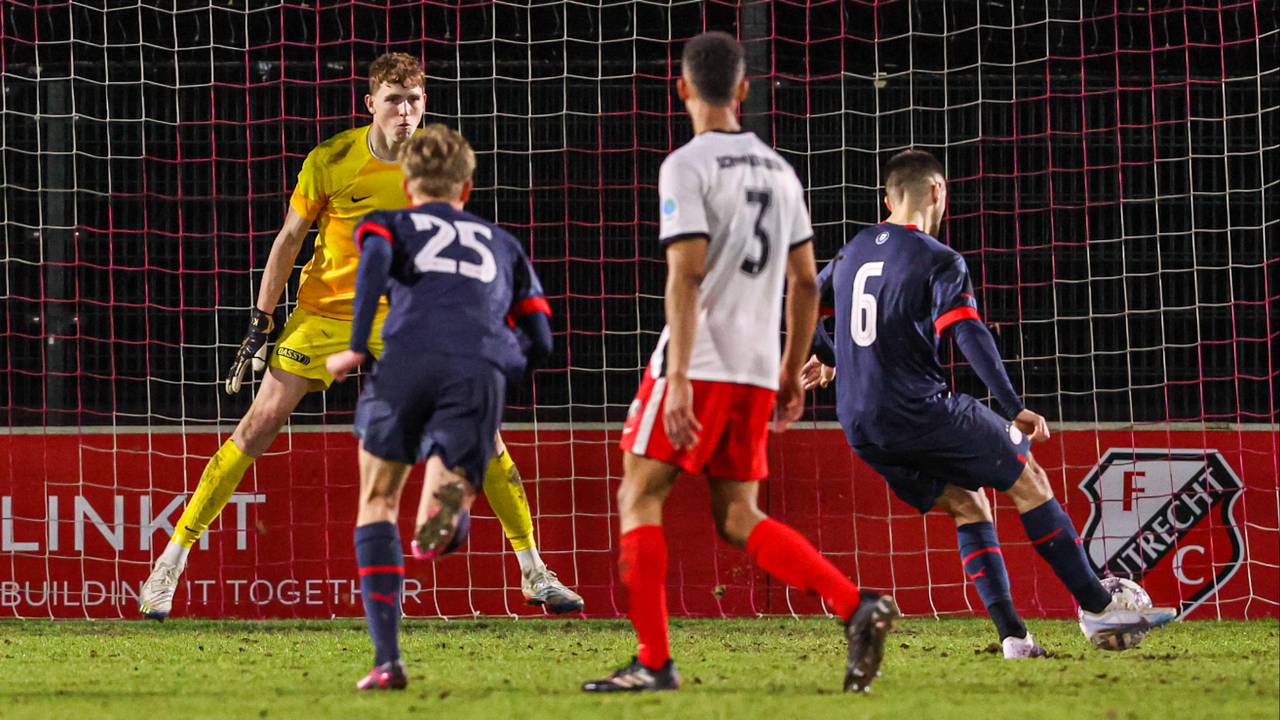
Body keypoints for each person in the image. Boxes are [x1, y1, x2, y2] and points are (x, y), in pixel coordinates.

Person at [138, 52, 581, 621]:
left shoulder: (433, 165)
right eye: (394, 100)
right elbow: (288, 240)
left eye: (414, 100)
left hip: (403, 317)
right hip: (324, 312)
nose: (405, 111)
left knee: (482, 430)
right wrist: (261, 320)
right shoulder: (332, 160)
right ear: (371, 104)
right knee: (259, 422)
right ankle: (168, 566)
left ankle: (534, 571)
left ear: (426, 104)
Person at [581, 31, 898, 695]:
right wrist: (789, 373)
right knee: (735, 516)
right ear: (745, 91)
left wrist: (676, 380)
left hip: (699, 361)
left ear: (683, 89)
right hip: (756, 368)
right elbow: (807, 284)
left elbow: (686, 276)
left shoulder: (686, 165)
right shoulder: (780, 171)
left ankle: (653, 660)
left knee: (639, 493)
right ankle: (854, 604)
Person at [801, 148, 1176, 655]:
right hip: (919, 410)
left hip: (860, 422)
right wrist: (1012, 405)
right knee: (1030, 477)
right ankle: (1097, 606)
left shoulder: (852, 251)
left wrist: (830, 355)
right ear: (937, 192)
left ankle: (1015, 639)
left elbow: (806, 302)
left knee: (966, 501)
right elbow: (968, 332)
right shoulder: (938, 259)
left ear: (886, 198)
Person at [324, 124, 554, 690]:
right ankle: (448, 514)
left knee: (377, 500)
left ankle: (387, 661)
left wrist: (356, 345)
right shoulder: (503, 243)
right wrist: (503, 367)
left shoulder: (391, 222)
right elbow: (542, 339)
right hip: (480, 371)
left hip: (406, 359)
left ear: (407, 185)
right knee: (438, 513)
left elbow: (374, 262)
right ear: (466, 188)